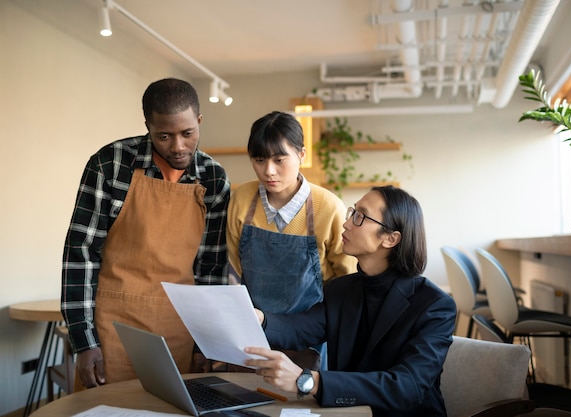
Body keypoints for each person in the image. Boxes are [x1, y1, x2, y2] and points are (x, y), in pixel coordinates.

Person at [61, 78, 230, 389]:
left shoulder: (214, 179)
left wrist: (207, 343)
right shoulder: (110, 164)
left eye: (188, 133)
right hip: (114, 327)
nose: (178, 146)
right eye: (164, 136)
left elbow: (211, 270)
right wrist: (84, 343)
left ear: (200, 121)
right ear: (148, 126)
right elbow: (81, 254)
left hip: (180, 328)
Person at [244, 186, 456, 417]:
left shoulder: (434, 305)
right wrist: (258, 318)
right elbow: (300, 327)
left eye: (360, 217)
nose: (346, 224)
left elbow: (407, 386)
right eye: (352, 212)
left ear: (390, 238)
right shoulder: (341, 289)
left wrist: (308, 381)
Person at [227, 111, 357, 369]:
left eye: (279, 159)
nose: (269, 171)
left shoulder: (327, 207)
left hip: (308, 339)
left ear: (301, 155)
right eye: (259, 160)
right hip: (251, 335)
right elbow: (234, 266)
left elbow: (346, 281)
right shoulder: (242, 199)